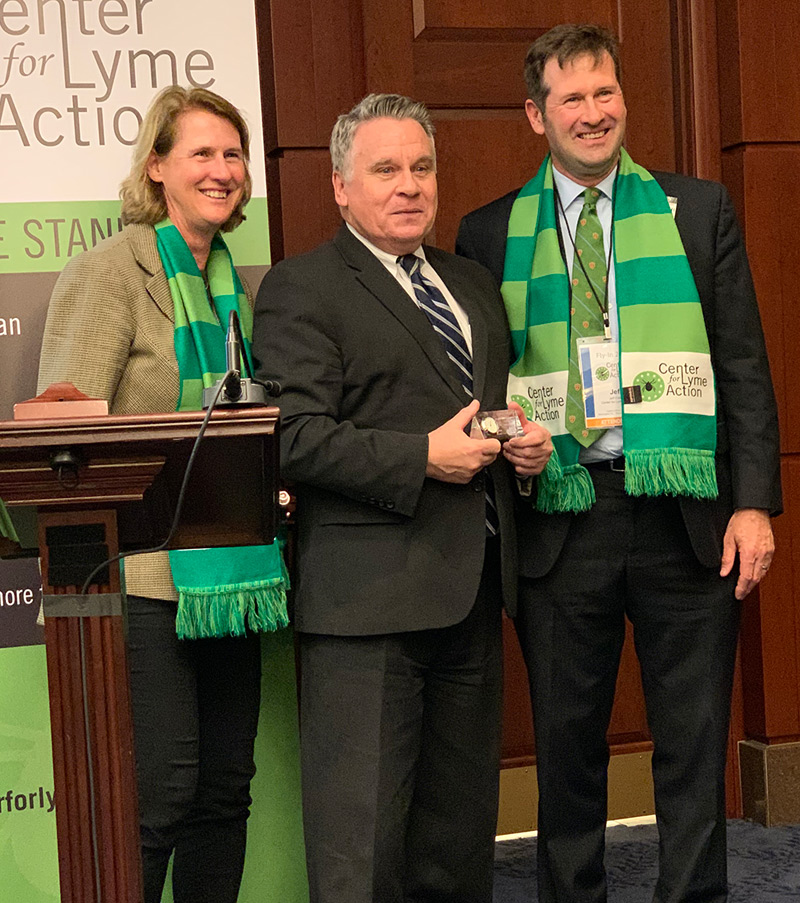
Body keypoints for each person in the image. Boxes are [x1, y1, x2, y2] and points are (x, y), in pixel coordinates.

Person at [457, 24, 781, 903]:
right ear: (536, 114)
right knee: (567, 746)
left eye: (606, 93)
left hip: (686, 512)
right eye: (572, 98)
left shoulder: (698, 208)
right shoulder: (488, 233)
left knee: (694, 736)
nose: (594, 114)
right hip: (563, 514)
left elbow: (743, 364)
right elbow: (480, 379)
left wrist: (753, 505)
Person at [252, 93, 551, 903]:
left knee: (457, 849)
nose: (409, 185)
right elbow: (294, 436)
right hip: (366, 609)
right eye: (386, 169)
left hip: (474, 595)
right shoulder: (301, 287)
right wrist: (423, 457)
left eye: (421, 167)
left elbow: (483, 410)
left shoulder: (471, 284)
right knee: (362, 853)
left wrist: (519, 448)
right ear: (342, 186)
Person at [37, 86, 289, 903]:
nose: (223, 170)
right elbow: (60, 437)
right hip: (142, 580)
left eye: (233, 154)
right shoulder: (111, 273)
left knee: (225, 790)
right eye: (203, 154)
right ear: (157, 168)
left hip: (233, 577)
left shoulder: (235, 291)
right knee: (164, 794)